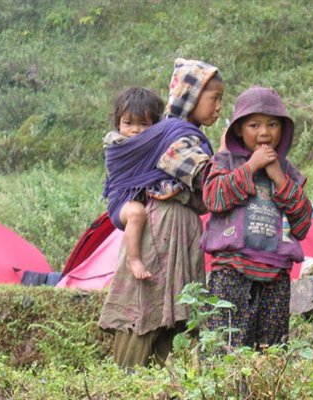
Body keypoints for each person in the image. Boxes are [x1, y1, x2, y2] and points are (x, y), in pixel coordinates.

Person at [98, 58, 224, 368]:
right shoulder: (176, 141)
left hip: (179, 230)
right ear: (191, 97)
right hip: (161, 230)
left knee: (173, 313)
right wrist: (228, 154)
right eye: (214, 98)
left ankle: (158, 382)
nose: (219, 107)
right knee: (146, 308)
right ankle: (128, 382)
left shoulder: (181, 135)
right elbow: (208, 182)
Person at [201, 86, 312, 349]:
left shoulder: (288, 172)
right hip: (231, 270)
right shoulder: (225, 161)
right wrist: (251, 166)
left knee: (270, 350)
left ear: (283, 129)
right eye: (254, 125)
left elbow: (303, 223)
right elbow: (214, 199)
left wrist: (278, 177)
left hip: (275, 274)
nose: (264, 132)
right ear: (239, 129)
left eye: (273, 124)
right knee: (225, 347)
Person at [103, 86, 165, 280]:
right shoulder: (116, 142)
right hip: (121, 203)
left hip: (147, 199)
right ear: (118, 123)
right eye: (128, 123)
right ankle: (134, 259)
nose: (135, 130)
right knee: (137, 212)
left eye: (144, 124)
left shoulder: (158, 142)